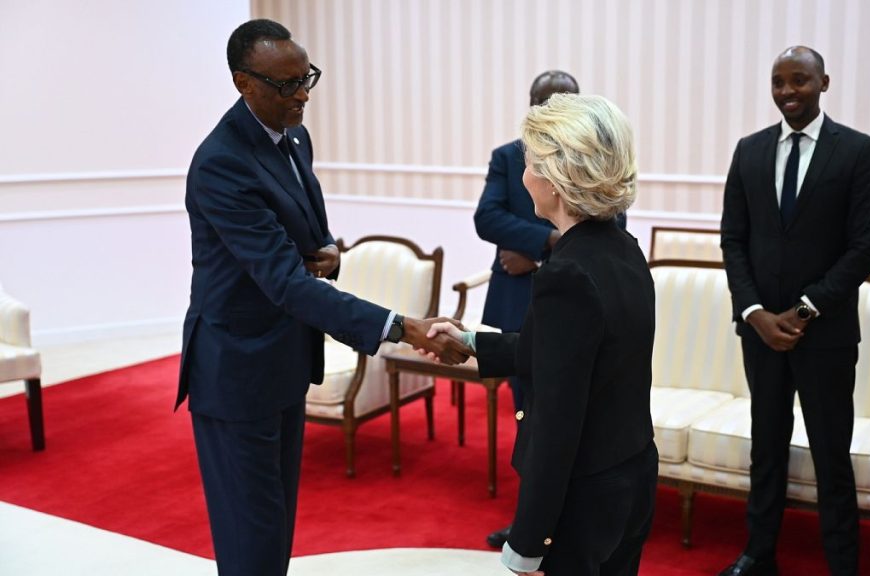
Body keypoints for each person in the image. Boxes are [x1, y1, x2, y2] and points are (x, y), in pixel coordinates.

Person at [175, 19, 468, 576]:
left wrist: (331, 251)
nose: (303, 94)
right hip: (236, 372)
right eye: (286, 85)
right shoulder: (220, 164)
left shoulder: (295, 135)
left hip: (283, 358)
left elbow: (309, 239)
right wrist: (402, 327)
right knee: (251, 541)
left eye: (306, 78)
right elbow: (286, 282)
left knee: (275, 529)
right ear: (244, 83)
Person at [430, 93, 658, 576]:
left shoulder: (568, 273)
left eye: (530, 162)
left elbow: (557, 423)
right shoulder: (622, 249)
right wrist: (470, 342)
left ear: (556, 181)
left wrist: (527, 542)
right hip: (631, 475)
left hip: (584, 498)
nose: (523, 174)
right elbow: (567, 354)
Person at [719, 46, 870, 576]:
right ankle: (758, 553)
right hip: (760, 334)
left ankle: (842, 563)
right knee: (766, 446)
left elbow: (866, 247)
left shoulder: (857, 151)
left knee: (830, 454)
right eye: (778, 82)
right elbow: (732, 240)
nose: (788, 92)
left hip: (827, 335)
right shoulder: (748, 151)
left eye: (799, 81)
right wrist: (754, 313)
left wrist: (806, 308)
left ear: (824, 83)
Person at [475, 69, 623, 550]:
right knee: (531, 417)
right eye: (544, 102)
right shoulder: (508, 157)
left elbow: (607, 223)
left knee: (565, 420)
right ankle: (532, 518)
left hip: (559, 287)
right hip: (519, 301)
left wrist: (545, 249)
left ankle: (543, 527)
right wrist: (545, 240)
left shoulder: (598, 164)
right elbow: (487, 217)